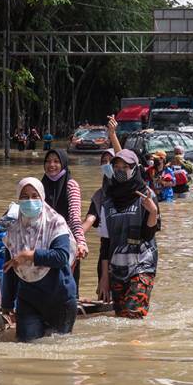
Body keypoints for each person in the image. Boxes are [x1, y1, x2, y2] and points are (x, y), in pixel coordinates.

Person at [2, 177, 77, 342]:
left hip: (59, 297)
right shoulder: (13, 230)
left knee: (57, 350)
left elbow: (61, 257)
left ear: (42, 197)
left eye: (34, 196)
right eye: (24, 196)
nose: (30, 201)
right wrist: (7, 303)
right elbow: (9, 268)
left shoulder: (55, 223)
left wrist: (30, 255)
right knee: (26, 345)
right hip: (29, 299)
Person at [99, 149, 160, 318]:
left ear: (134, 168)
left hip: (142, 264)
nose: (120, 170)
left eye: (125, 166)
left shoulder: (146, 196)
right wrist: (104, 278)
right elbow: (105, 244)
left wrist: (153, 212)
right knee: (121, 318)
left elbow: (148, 235)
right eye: (116, 166)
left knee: (134, 314)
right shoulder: (108, 201)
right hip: (117, 268)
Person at [82, 115, 122, 300]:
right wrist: (76, 237)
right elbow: (90, 219)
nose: (107, 165)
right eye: (103, 162)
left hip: (126, 251)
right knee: (104, 296)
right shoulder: (99, 195)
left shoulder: (124, 190)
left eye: (110, 161)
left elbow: (122, 158)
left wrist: (112, 135)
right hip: (106, 252)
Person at [42, 149, 88, 296]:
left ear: (63, 163)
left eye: (56, 161)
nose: (51, 165)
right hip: (45, 244)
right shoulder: (40, 185)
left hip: (66, 244)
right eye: (48, 161)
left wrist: (81, 242)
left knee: (67, 290)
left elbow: (75, 217)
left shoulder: (71, 185)